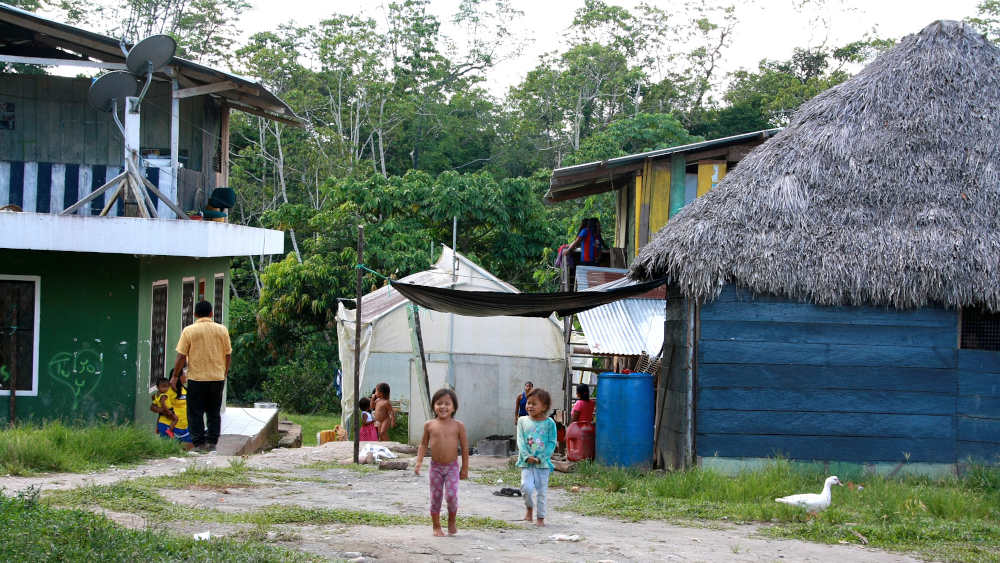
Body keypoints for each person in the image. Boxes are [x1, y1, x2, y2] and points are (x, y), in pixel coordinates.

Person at [171, 300, 231, 452]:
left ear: (195, 314)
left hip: (197, 379)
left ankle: (198, 444)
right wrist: (224, 372)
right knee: (213, 411)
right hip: (217, 378)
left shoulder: (189, 331)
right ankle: (212, 443)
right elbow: (228, 354)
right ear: (211, 313)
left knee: (195, 412)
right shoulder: (222, 330)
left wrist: (175, 376)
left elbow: (181, 356)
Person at [414, 388, 469, 537]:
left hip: (452, 467)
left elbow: (464, 448)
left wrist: (464, 469)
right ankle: (436, 526)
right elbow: (423, 444)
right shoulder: (429, 425)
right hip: (435, 468)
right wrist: (419, 461)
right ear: (433, 406)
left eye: (447, 404)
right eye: (439, 403)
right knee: (436, 497)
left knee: (451, 496)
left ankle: (452, 521)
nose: (443, 407)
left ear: (454, 407)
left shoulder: (459, 426)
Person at [517, 387, 557, 527]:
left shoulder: (549, 423)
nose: (530, 406)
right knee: (526, 488)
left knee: (541, 492)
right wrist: (527, 456)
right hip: (526, 463)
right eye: (528, 403)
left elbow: (552, 443)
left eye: (534, 404)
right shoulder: (522, 421)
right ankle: (529, 508)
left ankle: (540, 518)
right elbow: (520, 441)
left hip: (542, 464)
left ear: (544, 407)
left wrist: (541, 458)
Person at [168, 370, 193, 451]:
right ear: (178, 377)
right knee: (177, 451)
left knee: (187, 450)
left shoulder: (185, 390)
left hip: (186, 426)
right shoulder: (169, 392)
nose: (186, 376)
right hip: (175, 427)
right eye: (184, 374)